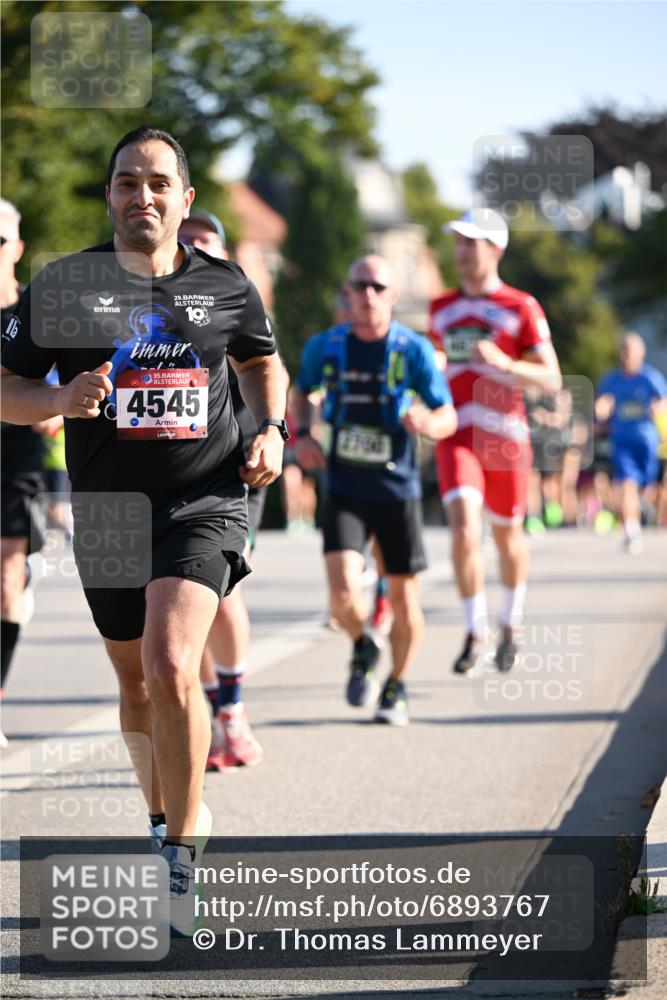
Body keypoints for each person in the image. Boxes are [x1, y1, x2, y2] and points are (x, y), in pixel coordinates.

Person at [0, 126, 287, 933]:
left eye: (159, 183)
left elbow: (262, 361)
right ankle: (162, 819)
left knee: (169, 662)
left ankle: (185, 851)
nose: (143, 196)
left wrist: (272, 430)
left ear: (185, 199)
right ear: (110, 195)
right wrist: (56, 401)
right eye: (127, 182)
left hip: (205, 499)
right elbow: (4, 385)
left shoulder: (225, 285)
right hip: (110, 513)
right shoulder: (64, 286)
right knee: (133, 681)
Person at [293, 254, 457, 726]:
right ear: (346, 292)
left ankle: (397, 685)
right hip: (345, 484)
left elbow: (447, 414)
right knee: (342, 593)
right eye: (359, 286)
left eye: (378, 287)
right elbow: (300, 392)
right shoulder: (325, 347)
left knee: (405, 601)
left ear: (393, 296)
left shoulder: (414, 350)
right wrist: (302, 436)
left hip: (397, 489)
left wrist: (428, 422)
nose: (367, 295)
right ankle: (364, 644)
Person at [429, 209, 562, 674]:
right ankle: (474, 630)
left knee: (507, 535)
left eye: (472, 241)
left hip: (504, 437)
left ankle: (512, 622)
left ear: (495, 248)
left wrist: (506, 364)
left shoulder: (521, 306)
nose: (462, 250)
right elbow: (433, 367)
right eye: (458, 241)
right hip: (457, 434)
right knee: (465, 529)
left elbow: (552, 377)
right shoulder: (440, 307)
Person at [177, 208, 263, 771]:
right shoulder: (157, 308)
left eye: (206, 243)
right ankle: (210, 708)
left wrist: (276, 437)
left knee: (221, 591)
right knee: (182, 603)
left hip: (238, 465)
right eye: (189, 244)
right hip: (175, 471)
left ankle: (229, 706)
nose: (196, 252)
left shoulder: (236, 297)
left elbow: (267, 369)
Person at [0, 198, 54, 748]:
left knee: (5, 584)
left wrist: (54, 409)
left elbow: (59, 387)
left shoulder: (33, 314)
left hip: (15, 460)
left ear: (16, 247)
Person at [595, 332, 667, 553]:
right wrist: (601, 410)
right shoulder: (612, 379)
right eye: (624, 349)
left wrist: (659, 410)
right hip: (622, 441)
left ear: (640, 353)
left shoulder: (650, 378)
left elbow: (662, 402)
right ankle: (632, 531)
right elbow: (602, 403)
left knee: (648, 488)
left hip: (647, 442)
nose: (627, 354)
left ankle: (644, 508)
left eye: (631, 349)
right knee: (626, 484)